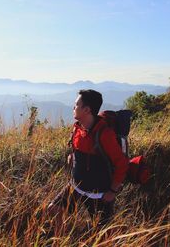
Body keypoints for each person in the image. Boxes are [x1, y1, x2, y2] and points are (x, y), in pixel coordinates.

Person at [48, 89, 129, 226]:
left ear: (86, 110)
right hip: (76, 186)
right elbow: (80, 149)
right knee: (54, 208)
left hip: (98, 194)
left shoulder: (104, 134)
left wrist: (112, 191)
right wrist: (73, 157)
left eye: (76, 105)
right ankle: (61, 239)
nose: (73, 108)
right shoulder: (77, 128)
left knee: (102, 232)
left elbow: (122, 164)